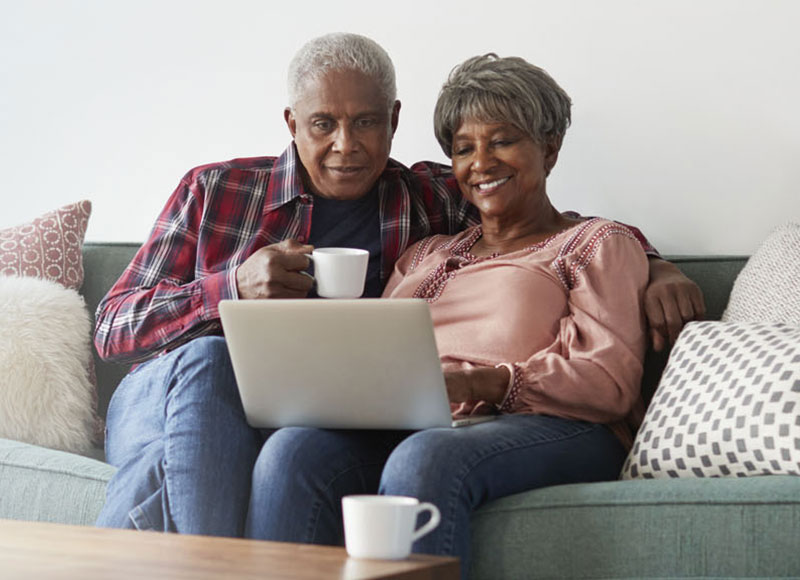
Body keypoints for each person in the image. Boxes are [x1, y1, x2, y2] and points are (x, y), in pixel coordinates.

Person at [94, 33, 703, 537]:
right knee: (211, 357)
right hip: (168, 390)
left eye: (365, 123)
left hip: (357, 415)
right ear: (292, 123)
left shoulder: (428, 202)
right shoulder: (218, 189)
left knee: (289, 448)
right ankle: (213, 573)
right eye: (323, 124)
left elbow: (555, 232)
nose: (346, 145)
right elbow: (111, 325)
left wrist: (659, 265)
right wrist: (228, 287)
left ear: (393, 120)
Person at [243, 53, 655, 577]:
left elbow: (609, 382)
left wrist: (475, 382)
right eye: (464, 148)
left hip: (555, 426)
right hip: (427, 424)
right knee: (292, 451)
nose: (480, 162)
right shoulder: (425, 253)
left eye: (502, 140)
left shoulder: (593, 244)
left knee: (427, 458)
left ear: (549, 149)